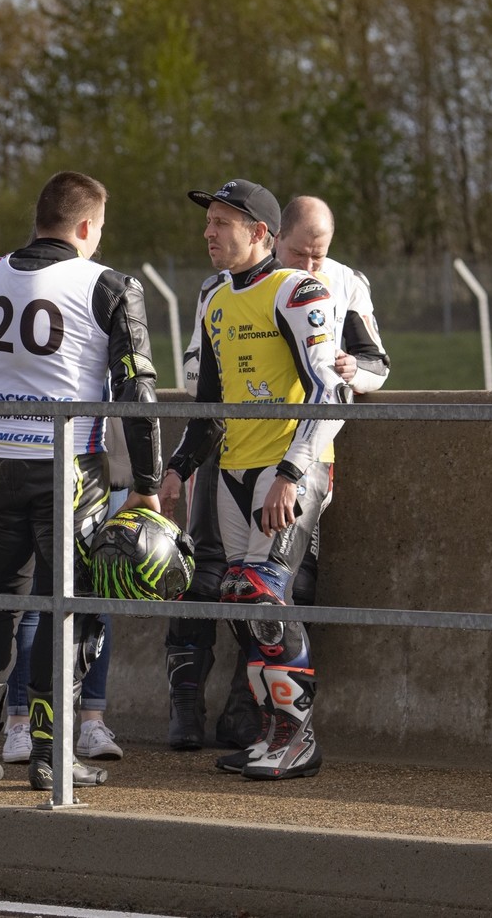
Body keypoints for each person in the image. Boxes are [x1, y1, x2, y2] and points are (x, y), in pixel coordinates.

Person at [0, 170, 162, 791]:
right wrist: (145, 485)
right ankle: (49, 757)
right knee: (69, 609)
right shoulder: (111, 285)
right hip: (71, 473)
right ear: (87, 226)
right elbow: (139, 395)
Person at [164, 195, 389, 750]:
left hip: (288, 468)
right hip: (235, 468)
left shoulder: (299, 289)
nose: (208, 232)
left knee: (266, 597)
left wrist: (292, 471)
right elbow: (209, 403)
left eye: (221, 223)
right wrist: (176, 469)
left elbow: (330, 389)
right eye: (208, 222)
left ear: (259, 230)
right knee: (240, 597)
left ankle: (298, 740)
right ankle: (268, 733)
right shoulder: (216, 296)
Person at [4, 420, 133, 764]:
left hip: (105, 464)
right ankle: (20, 721)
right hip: (34, 456)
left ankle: (92, 721)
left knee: (95, 596)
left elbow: (134, 388)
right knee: (34, 597)